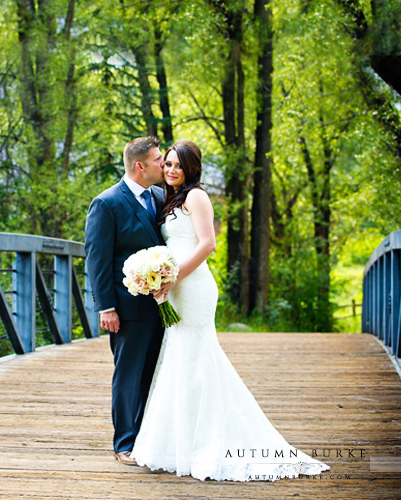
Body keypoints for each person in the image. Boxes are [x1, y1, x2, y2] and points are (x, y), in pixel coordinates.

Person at [130, 140, 330, 481]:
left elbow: (208, 244)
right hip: (174, 287)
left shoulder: (196, 196)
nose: (171, 169)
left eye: (179, 165)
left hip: (193, 288)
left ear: (192, 168)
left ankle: (210, 443)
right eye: (168, 164)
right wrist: (159, 276)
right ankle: (181, 443)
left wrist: (174, 275)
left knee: (197, 357)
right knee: (180, 358)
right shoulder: (169, 199)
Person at [84, 136, 166, 466]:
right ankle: (125, 443)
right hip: (126, 309)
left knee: (154, 374)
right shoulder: (106, 203)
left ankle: (150, 436)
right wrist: (106, 307)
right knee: (128, 375)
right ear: (139, 165)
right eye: (159, 159)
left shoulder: (162, 197)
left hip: (162, 305)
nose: (164, 164)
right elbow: (96, 259)